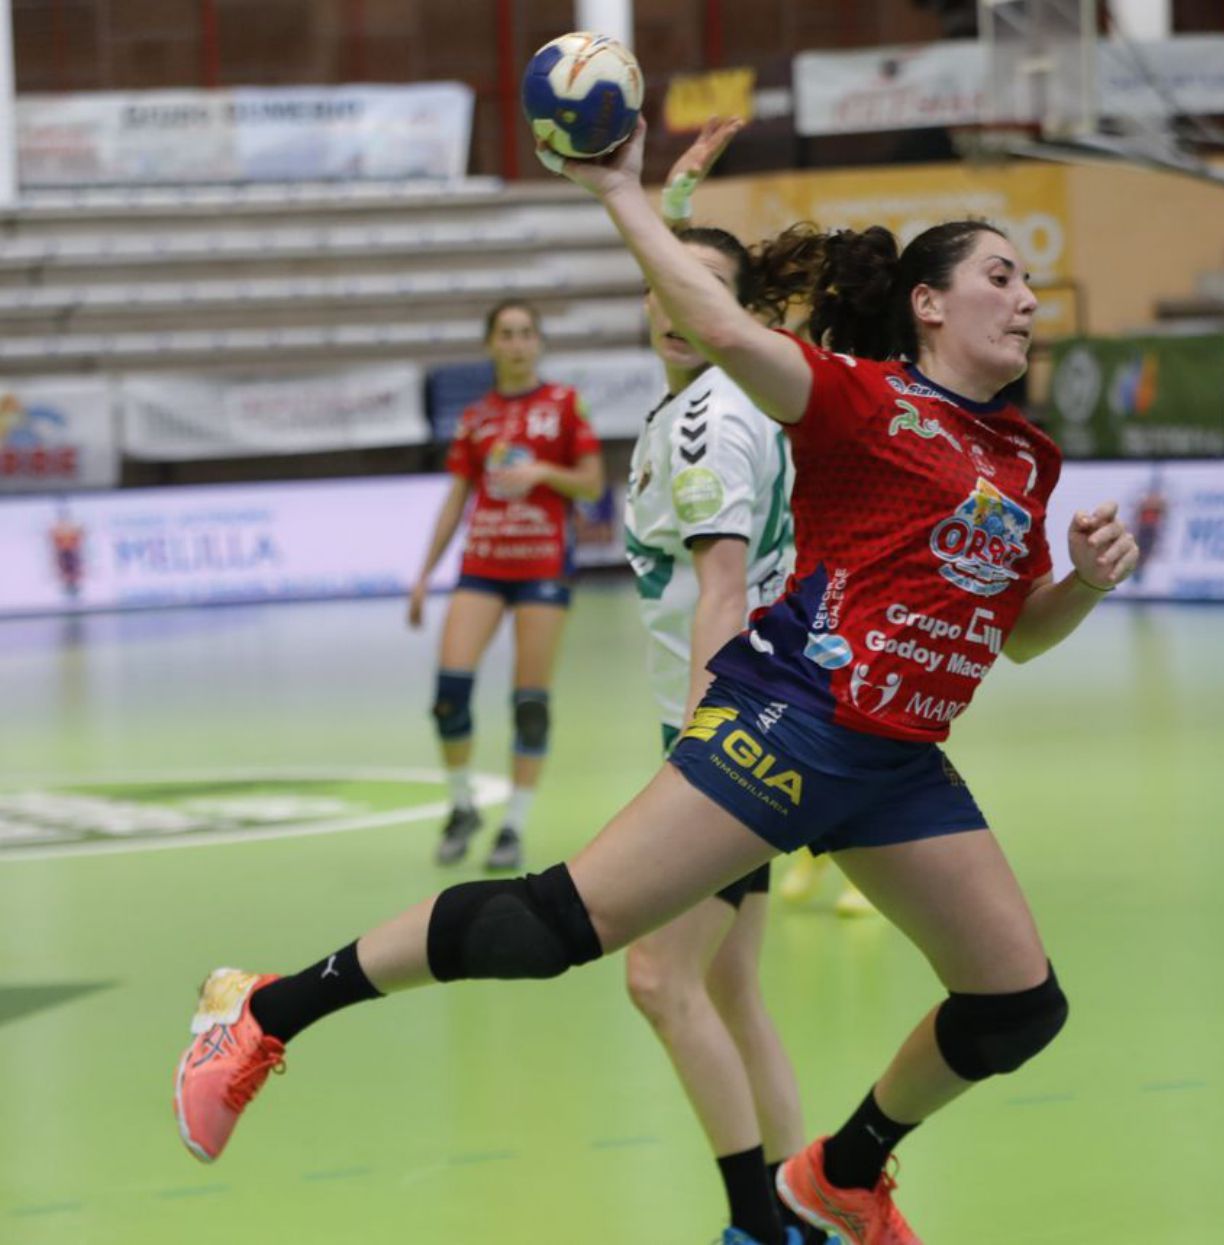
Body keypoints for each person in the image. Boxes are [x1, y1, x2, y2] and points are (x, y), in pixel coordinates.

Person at [171, 117, 1139, 1245]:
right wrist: (625, 193)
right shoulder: (858, 401)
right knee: (552, 932)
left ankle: (839, 1178)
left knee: (1018, 1005)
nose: (1025, 296)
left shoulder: (1025, 458)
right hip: (788, 724)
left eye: (1027, 280)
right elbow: (719, 321)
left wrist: (1082, 583)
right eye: (999, 275)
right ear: (929, 303)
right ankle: (262, 1010)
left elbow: (1016, 634)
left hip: (898, 767)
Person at [622, 120, 830, 1245]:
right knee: (732, 989)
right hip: (747, 718)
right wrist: (675, 190)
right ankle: (811, 1206)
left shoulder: (710, 415)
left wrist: (708, 759)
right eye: (665, 280)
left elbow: (717, 593)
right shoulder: (713, 389)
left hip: (725, 732)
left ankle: (761, 1221)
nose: (670, 299)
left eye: (701, 290)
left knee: (657, 979)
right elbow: (671, 265)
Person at [406, 300, 604, 872]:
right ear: (491, 344)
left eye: (525, 334)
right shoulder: (476, 418)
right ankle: (462, 805)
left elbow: (591, 485)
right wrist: (423, 575)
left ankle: (512, 825)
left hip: (542, 569)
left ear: (538, 343)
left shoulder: (565, 406)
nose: (516, 344)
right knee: (449, 695)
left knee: (531, 705)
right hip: (482, 566)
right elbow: (455, 499)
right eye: (506, 334)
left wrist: (543, 473)